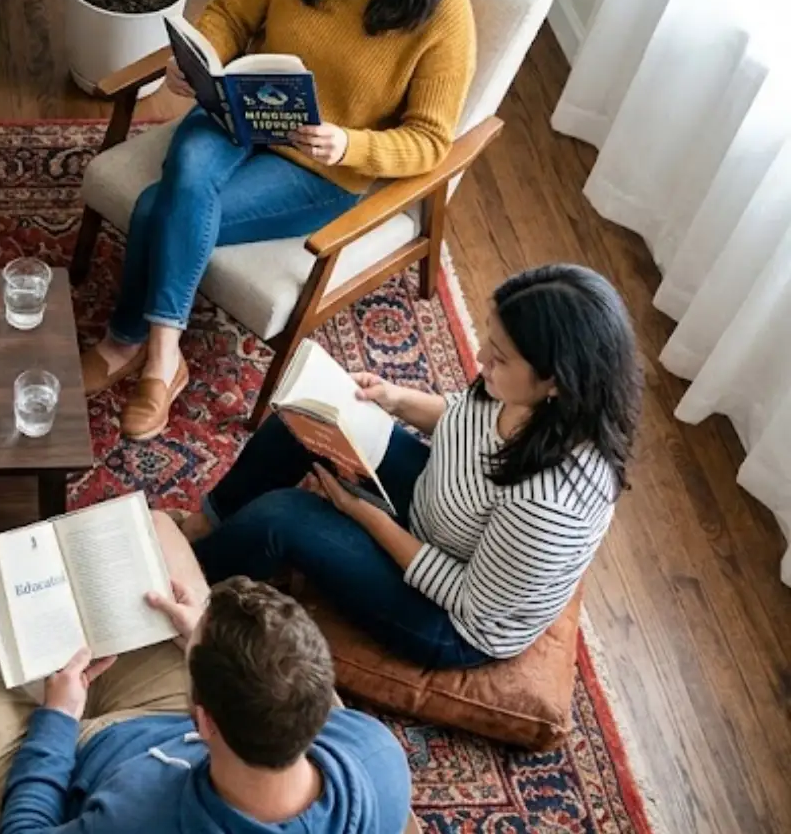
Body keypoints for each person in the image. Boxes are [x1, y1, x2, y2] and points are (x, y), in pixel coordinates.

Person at [83, 0, 476, 441]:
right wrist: (202, 55)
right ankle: (161, 357)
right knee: (188, 169)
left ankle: (136, 345)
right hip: (238, 115)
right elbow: (232, 12)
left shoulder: (444, 16)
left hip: (320, 168)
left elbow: (428, 142)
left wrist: (349, 144)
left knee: (157, 205)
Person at [178, 263, 640, 669]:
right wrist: (394, 399)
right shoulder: (521, 393)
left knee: (284, 518)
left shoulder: (550, 505)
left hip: (450, 619)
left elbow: (466, 599)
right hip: (439, 513)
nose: (481, 360)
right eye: (488, 341)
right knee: (306, 416)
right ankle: (209, 523)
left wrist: (363, 516)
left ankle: (185, 583)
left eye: (498, 357)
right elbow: (463, 417)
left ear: (557, 381)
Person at [0, 512, 412, 834]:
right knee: (157, 529)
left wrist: (56, 721)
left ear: (208, 720)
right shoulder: (376, 755)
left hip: (71, 767)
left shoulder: (139, 814)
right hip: (177, 736)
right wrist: (202, 635)